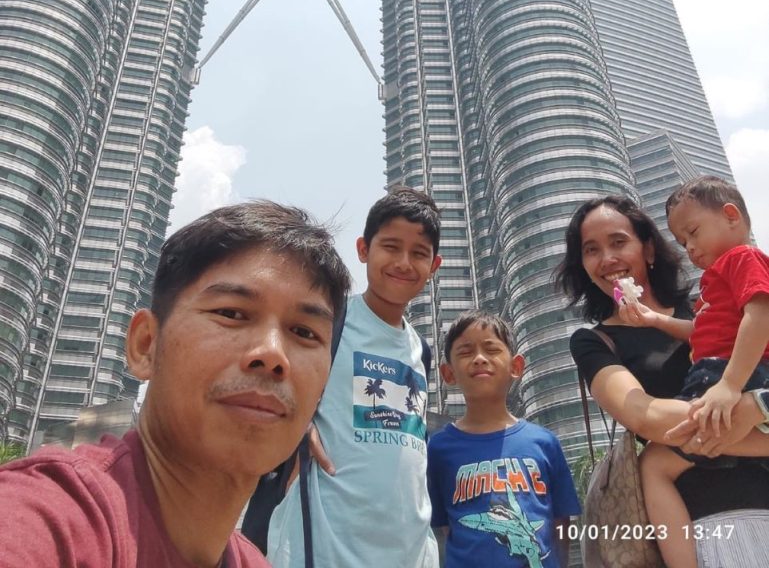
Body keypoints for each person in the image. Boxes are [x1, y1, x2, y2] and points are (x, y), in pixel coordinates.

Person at [0, 200, 352, 568]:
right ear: (146, 345)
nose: (273, 354)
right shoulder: (51, 519)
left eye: (304, 332)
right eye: (231, 313)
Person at [555, 195, 769, 561]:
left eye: (619, 241)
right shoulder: (595, 340)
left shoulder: (709, 305)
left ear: (649, 248)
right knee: (653, 460)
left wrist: (759, 404)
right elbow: (645, 417)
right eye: (591, 250)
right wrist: (754, 416)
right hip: (702, 531)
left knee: (656, 459)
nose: (607, 258)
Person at [267, 186, 442, 568]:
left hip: (410, 552)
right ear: (363, 249)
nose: (403, 262)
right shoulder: (326, 321)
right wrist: (297, 426)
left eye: (419, 253)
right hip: (323, 547)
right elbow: (270, 382)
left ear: (435, 266)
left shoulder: (421, 350)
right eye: (391, 247)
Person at [619, 178, 769, 568]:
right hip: (723, 375)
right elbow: (700, 330)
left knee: (654, 464)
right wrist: (654, 319)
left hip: (730, 376)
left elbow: (761, 314)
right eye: (683, 242)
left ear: (731, 216)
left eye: (693, 233)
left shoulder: (742, 260)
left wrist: (730, 385)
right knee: (659, 462)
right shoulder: (715, 284)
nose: (690, 248)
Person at [427, 310, 580, 568]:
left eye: (491, 349)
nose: (479, 359)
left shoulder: (544, 442)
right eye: (465, 352)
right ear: (448, 373)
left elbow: (560, 523)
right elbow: (446, 529)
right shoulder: (438, 448)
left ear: (516, 366)